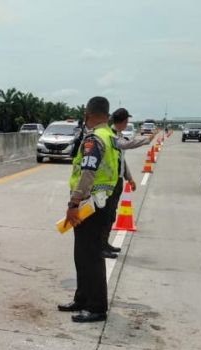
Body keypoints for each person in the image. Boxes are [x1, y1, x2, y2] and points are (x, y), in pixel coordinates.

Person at [58, 96, 119, 323]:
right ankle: (82, 298)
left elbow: (87, 173)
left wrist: (73, 204)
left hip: (90, 205)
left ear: (90, 113)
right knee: (82, 255)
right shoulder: (111, 136)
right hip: (101, 203)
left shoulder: (94, 138)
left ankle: (96, 308)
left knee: (91, 257)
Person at [101, 108, 157, 258]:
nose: (127, 124)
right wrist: (147, 139)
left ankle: (105, 243)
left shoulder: (117, 135)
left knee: (111, 215)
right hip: (108, 183)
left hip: (117, 180)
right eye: (127, 121)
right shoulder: (111, 136)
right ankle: (101, 247)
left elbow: (121, 160)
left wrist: (129, 178)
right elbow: (127, 145)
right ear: (123, 121)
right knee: (106, 216)